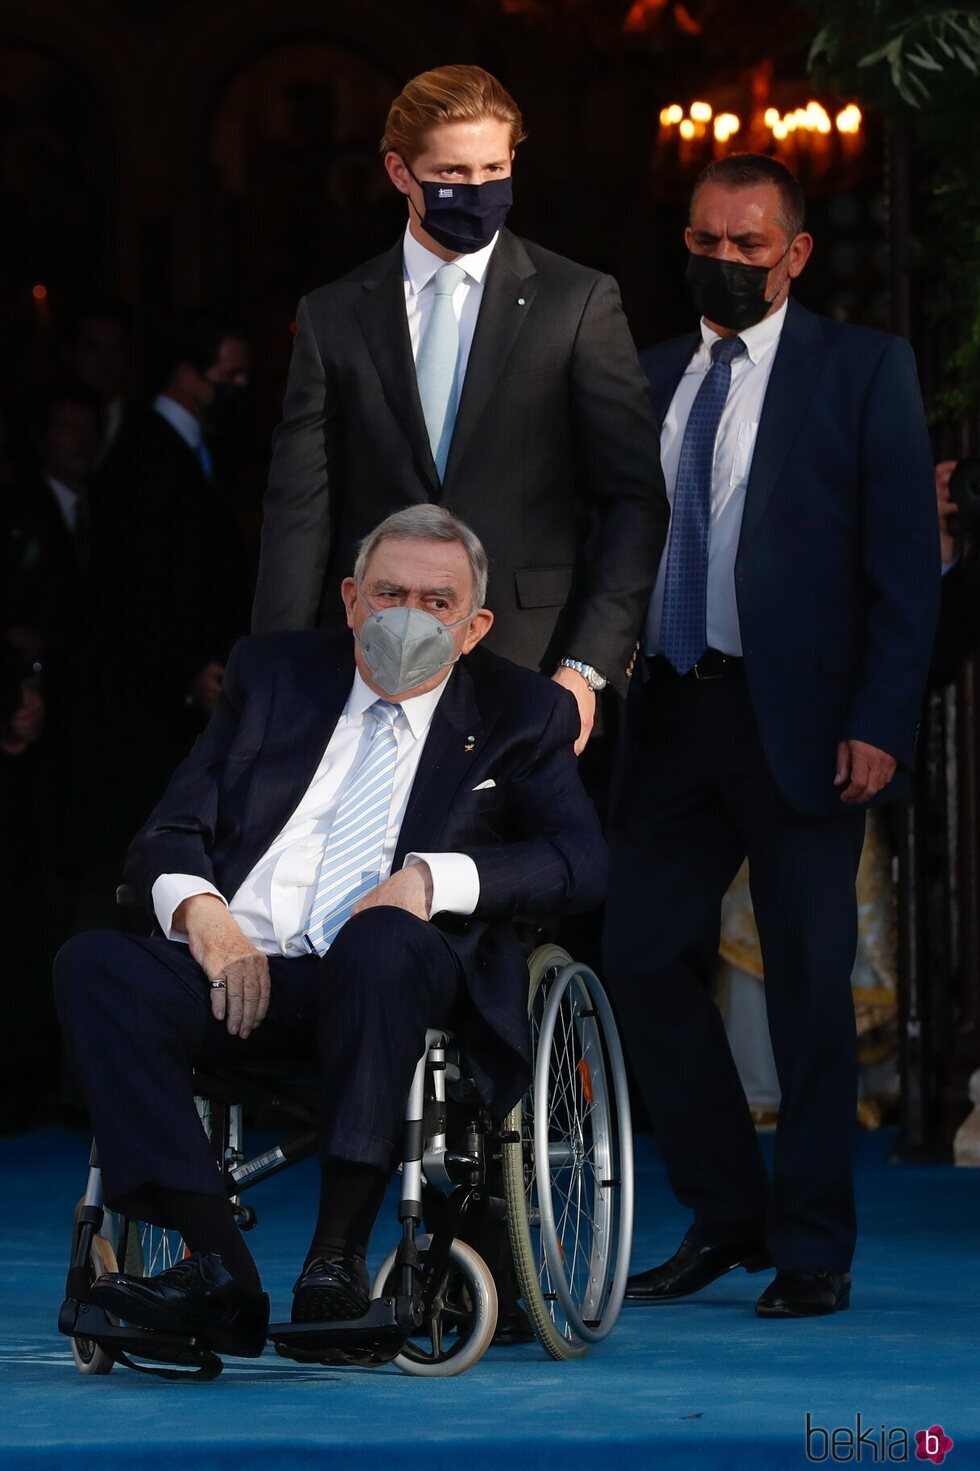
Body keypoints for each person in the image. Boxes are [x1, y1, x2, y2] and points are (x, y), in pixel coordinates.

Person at [54, 506, 606, 1356]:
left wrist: (431, 878)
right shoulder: (274, 675)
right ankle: (217, 1269)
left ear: (474, 626)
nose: (407, 615)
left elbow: (579, 861)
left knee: (381, 939)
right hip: (245, 971)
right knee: (94, 965)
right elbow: (169, 830)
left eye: (435, 599)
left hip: (393, 973)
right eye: (388, 592)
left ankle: (335, 1261)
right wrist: (207, 919)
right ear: (351, 599)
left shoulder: (519, 710)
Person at [603, 154, 940, 1318]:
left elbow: (903, 567)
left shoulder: (861, 370)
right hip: (671, 716)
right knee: (639, 959)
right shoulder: (642, 378)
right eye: (707, 241)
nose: (726, 262)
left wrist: (879, 719)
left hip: (802, 723)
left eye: (749, 246)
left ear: (794, 252)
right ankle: (725, 1209)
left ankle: (809, 1245)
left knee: (806, 991)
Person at [251, 63, 667, 752]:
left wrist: (586, 668)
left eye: (494, 169)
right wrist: (276, 677)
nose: (476, 192)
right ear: (398, 172)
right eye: (453, 173)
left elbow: (634, 501)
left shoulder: (579, 302)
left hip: (530, 666)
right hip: (366, 672)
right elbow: (300, 512)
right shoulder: (333, 318)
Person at [81, 310, 253, 855]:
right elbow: (135, 586)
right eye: (228, 376)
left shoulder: (195, 449)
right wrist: (183, 672)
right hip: (150, 697)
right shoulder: (144, 456)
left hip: (182, 687)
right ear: (185, 375)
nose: (240, 388)